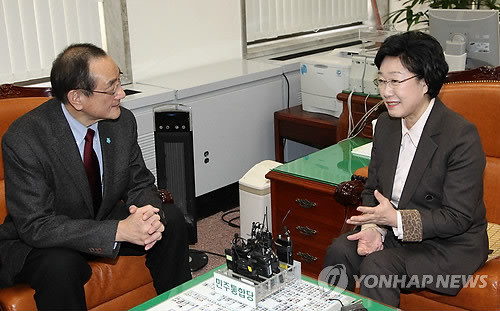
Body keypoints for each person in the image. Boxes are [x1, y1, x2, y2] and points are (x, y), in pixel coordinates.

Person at [0, 43, 191, 310]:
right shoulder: (25, 138)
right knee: (61, 265)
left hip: (98, 219)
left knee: (169, 219)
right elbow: (36, 225)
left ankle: (177, 305)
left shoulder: (122, 122)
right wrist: (117, 230)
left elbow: (140, 183)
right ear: (77, 97)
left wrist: (147, 215)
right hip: (43, 240)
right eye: (111, 88)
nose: (121, 94)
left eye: (119, 83)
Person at [322, 31, 488, 307]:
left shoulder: (460, 136)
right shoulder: (386, 125)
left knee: (378, 267)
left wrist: (395, 221)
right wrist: (375, 227)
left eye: (396, 81)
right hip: (395, 235)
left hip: (447, 245)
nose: (386, 91)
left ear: (425, 82)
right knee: (340, 248)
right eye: (382, 80)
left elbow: (457, 218)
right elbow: (372, 190)